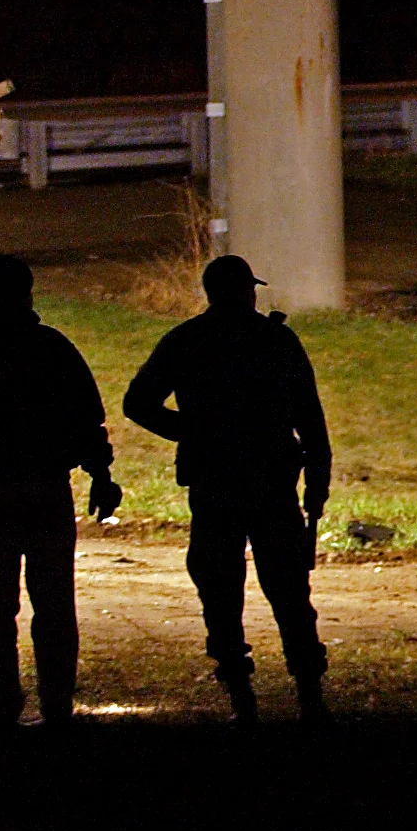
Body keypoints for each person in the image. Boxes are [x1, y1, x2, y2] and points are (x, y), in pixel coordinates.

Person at [123, 254, 331, 724]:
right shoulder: (276, 341)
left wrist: (191, 431)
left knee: (220, 590)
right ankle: (310, 697)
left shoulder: (186, 341)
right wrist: (318, 481)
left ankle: (241, 694)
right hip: (272, 484)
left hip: (215, 482)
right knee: (289, 592)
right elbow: (310, 420)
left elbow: (138, 403)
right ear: (248, 292)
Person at [0, 254, 121, 729]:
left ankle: (3, 697)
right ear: (29, 293)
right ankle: (55, 700)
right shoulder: (52, 349)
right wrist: (100, 475)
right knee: (54, 601)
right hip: (47, 491)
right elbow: (87, 420)